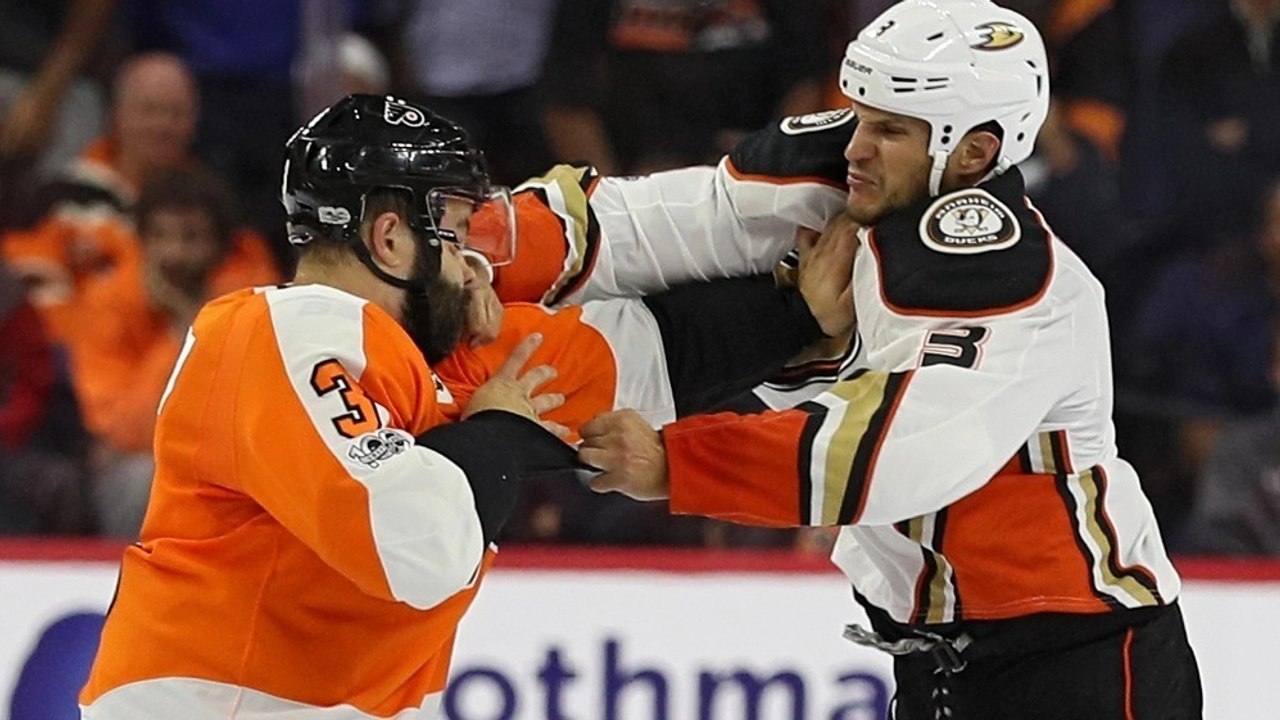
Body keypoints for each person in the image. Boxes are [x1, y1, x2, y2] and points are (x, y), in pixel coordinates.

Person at [79, 93, 855, 718]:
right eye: (452, 237)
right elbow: (414, 547)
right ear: (390, 239)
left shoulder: (447, 363)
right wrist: (498, 433)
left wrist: (799, 311)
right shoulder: (271, 330)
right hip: (214, 701)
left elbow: (651, 357)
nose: (476, 264)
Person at [577, 2, 1203, 718]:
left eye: (889, 129)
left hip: (1075, 656)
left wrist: (677, 461)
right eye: (857, 116)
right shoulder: (863, 247)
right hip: (939, 656)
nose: (854, 148)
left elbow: (907, 450)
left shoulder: (1019, 279)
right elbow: (671, 241)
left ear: (973, 153)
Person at [68, 168, 279, 538]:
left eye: (191, 237)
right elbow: (125, 434)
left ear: (221, 246)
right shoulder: (108, 300)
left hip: (235, 458)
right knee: (142, 479)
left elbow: (263, 414)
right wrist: (184, 330)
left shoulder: (252, 299)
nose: (173, 253)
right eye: (159, 236)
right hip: (139, 463)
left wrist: (196, 316)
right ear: (140, 240)